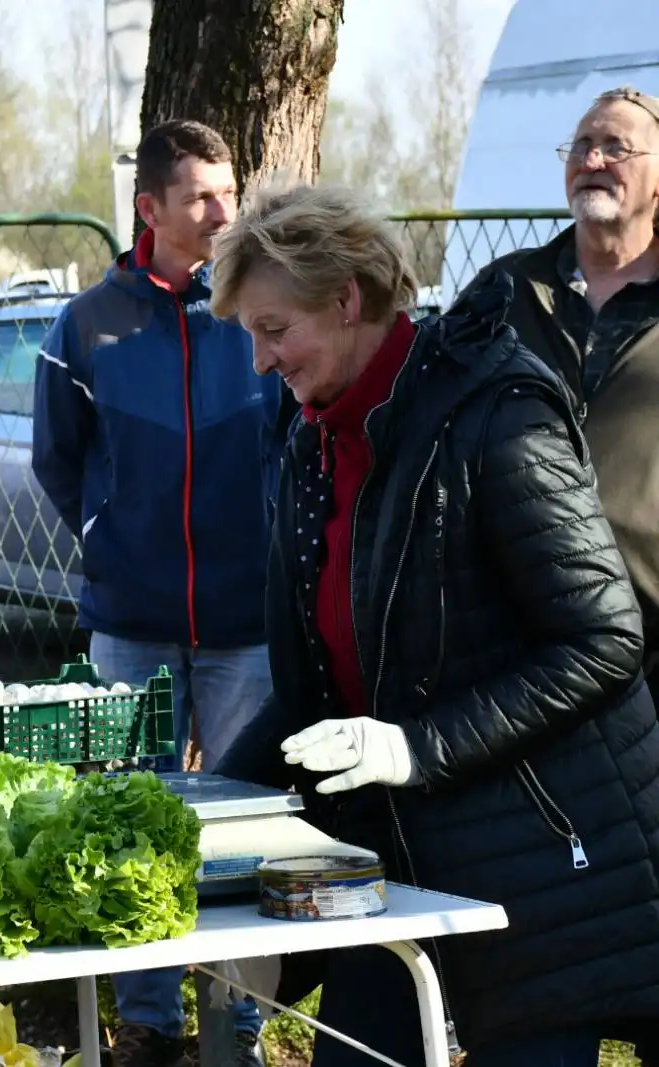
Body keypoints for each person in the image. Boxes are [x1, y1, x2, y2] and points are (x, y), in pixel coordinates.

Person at [208, 180, 659, 1066]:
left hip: (543, 869)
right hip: (392, 864)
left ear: (345, 299)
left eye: (273, 329)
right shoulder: (316, 445)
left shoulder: (496, 414)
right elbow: (318, 691)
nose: (261, 361)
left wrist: (414, 745)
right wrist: (209, 803)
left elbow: (604, 640)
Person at [33, 119, 281, 1067]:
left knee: (240, 818)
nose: (224, 211)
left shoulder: (254, 308)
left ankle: (239, 1025)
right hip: (131, 625)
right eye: (203, 198)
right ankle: (149, 1023)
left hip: (243, 623)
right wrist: (107, 544)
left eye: (230, 192)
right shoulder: (88, 324)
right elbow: (57, 460)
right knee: (132, 821)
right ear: (151, 210)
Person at [463, 81, 659, 1066]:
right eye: (582, 143)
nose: (595, 160)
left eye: (618, 145)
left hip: (652, 645)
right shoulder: (503, 292)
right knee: (552, 904)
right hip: (528, 650)